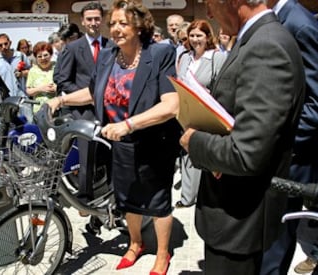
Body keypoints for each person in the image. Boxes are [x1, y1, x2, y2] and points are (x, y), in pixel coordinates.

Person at [47, 1, 180, 274]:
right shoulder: (109, 55)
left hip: (154, 143)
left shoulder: (160, 54)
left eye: (123, 23)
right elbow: (92, 92)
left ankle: (163, 254)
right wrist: (61, 100)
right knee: (127, 199)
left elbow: (171, 105)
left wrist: (128, 124)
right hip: (120, 143)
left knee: (157, 202)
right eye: (114, 24)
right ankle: (135, 244)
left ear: (140, 26)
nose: (116, 29)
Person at [179, 0, 305, 274]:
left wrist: (194, 141)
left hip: (240, 221)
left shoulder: (266, 46)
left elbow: (247, 152)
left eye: (209, 3)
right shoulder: (254, 39)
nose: (209, 13)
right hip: (233, 217)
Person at [261, 0, 318, 274]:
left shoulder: (299, 24)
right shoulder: (279, 18)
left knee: (275, 244)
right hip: (274, 153)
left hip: (290, 157)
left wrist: (280, 140)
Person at [54, 2, 113, 207]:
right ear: (83, 21)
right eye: (89, 19)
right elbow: (63, 79)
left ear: (102, 20)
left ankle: (111, 194)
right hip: (84, 110)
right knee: (86, 154)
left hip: (109, 110)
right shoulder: (72, 48)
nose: (93, 23)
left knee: (110, 151)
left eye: (97, 19)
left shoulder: (111, 46)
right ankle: (85, 197)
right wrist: (84, 96)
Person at [175, 19, 226, 209]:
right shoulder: (185, 57)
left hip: (207, 114)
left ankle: (208, 194)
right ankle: (188, 196)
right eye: (192, 35)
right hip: (187, 113)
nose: (195, 39)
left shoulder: (216, 57)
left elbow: (222, 87)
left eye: (199, 35)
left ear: (207, 37)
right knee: (187, 151)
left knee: (205, 152)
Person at [0, 33, 33, 121]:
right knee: (13, 126)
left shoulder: (20, 56)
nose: (4, 47)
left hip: (22, 97)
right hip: (7, 99)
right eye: (0, 45)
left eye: (6, 43)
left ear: (10, 42)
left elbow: (32, 72)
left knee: (29, 122)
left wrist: (22, 74)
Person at [25, 41, 57, 113]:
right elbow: (28, 91)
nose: (43, 58)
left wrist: (56, 88)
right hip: (39, 110)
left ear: (51, 55)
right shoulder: (33, 71)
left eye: (45, 55)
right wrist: (41, 89)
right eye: (39, 56)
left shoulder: (57, 67)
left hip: (56, 109)